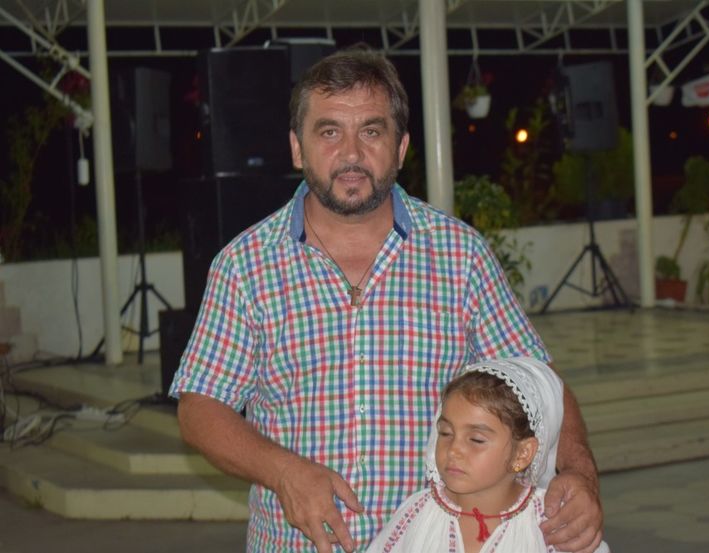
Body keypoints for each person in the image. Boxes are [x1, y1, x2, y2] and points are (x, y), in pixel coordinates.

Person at [170, 45, 602, 552]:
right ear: (297, 148)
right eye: (329, 132)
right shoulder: (246, 265)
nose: (351, 153)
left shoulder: (459, 255)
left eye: (371, 131)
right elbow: (200, 408)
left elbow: (540, 384)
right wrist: (283, 471)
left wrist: (580, 473)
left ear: (400, 148)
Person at [366, 357, 610, 553]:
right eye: (446, 433)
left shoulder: (553, 524)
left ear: (523, 453)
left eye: (476, 439)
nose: (454, 449)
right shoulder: (417, 514)